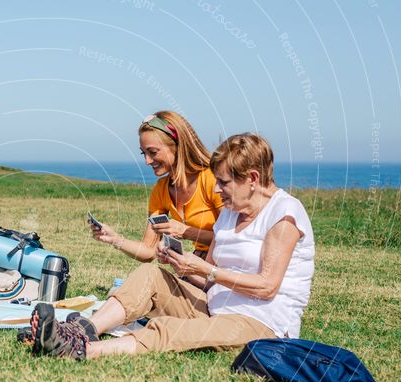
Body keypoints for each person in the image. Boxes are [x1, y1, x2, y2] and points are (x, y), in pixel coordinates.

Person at [30, 133, 315, 360]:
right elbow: (208, 277)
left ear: (252, 179)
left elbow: (267, 286)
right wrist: (184, 266)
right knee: (150, 276)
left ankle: (82, 351)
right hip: (214, 307)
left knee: (176, 330)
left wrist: (208, 271)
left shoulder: (285, 213)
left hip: (262, 325)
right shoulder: (229, 213)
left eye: (224, 183)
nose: (217, 190)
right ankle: (82, 330)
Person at [90, 110, 223, 260]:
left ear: (178, 146)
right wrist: (115, 239)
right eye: (144, 153)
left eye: (153, 152)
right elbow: (148, 250)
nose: (147, 161)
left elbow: (237, 240)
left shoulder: (213, 180)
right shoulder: (161, 189)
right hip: (196, 265)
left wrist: (186, 232)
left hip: (225, 269)